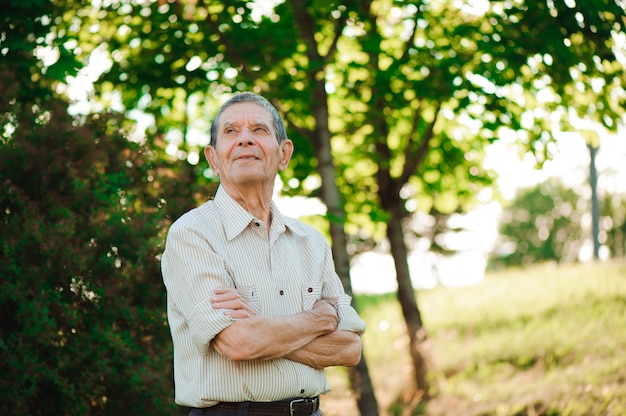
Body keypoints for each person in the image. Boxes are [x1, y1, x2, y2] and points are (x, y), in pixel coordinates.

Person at [161, 92, 366, 416]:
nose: (245, 139)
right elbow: (238, 343)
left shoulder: (311, 242)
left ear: (283, 153)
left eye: (259, 130)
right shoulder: (192, 235)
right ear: (213, 159)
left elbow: (350, 348)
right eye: (231, 131)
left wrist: (260, 328)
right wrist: (317, 320)